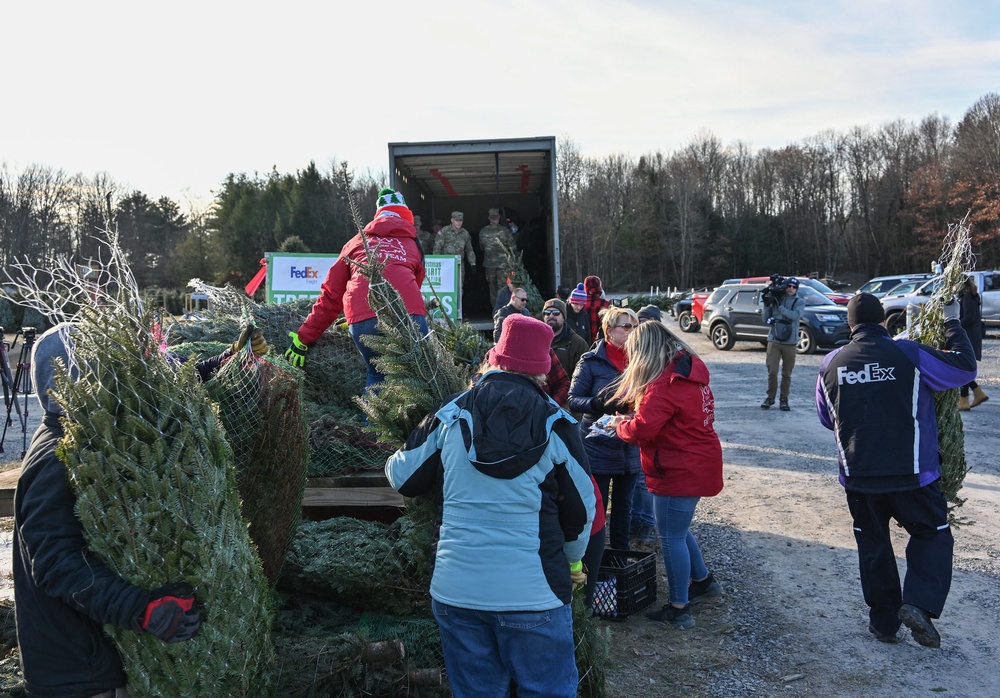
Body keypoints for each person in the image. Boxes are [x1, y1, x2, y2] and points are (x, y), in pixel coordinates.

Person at [384, 313, 596, 698]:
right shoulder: (558, 426)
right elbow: (582, 511)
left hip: (458, 592)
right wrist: (573, 560)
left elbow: (404, 478)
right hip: (536, 595)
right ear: (543, 370)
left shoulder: (450, 415)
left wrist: (398, 451)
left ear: (493, 358)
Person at [14, 323, 203, 698]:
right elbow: (54, 561)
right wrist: (139, 608)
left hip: (88, 663)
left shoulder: (81, 436)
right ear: (81, 383)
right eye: (110, 373)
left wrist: (216, 365)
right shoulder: (58, 458)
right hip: (74, 673)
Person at [816, 292, 977, 647]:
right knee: (931, 534)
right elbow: (964, 368)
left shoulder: (830, 363)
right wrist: (951, 321)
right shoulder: (909, 353)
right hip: (913, 473)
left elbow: (828, 417)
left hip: (858, 475)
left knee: (873, 544)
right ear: (884, 322)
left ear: (850, 325)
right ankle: (918, 604)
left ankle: (884, 624)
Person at [609, 321, 724, 630]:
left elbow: (643, 430)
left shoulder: (663, 385)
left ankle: (678, 607)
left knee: (671, 535)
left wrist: (619, 425)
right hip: (695, 461)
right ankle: (703, 581)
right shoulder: (687, 372)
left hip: (679, 467)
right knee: (677, 527)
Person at [284, 188, 428, 390]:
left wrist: (303, 338)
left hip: (364, 321)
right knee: (417, 378)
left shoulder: (354, 243)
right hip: (409, 316)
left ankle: (372, 422)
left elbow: (330, 297)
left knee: (377, 376)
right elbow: (415, 287)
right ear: (406, 216)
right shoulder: (414, 245)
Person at [568, 306, 642, 551]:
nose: (633, 331)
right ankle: (593, 563)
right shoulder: (591, 361)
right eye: (627, 326)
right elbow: (573, 399)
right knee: (596, 510)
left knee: (624, 509)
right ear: (609, 331)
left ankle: (621, 560)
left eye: (635, 326)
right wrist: (599, 403)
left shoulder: (641, 360)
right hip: (597, 446)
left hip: (629, 446)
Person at [629, 305, 663, 548]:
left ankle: (648, 524)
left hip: (645, 427)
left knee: (645, 479)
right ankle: (635, 521)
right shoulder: (632, 349)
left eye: (646, 323)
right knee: (635, 479)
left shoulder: (661, 358)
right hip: (634, 422)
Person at [761, 276, 803, 411]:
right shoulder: (776, 297)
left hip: (790, 342)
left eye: (794, 287)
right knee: (772, 371)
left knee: (787, 374)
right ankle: (770, 398)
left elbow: (795, 316)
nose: (791, 289)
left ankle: (784, 400)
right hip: (774, 340)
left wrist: (780, 307)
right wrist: (767, 305)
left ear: (797, 289)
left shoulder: (799, 301)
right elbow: (765, 318)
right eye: (789, 286)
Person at [958, 276, 988, 410]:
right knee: (962, 367)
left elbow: (968, 318)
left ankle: (967, 398)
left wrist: (954, 324)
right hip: (971, 336)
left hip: (968, 337)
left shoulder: (967, 297)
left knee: (962, 367)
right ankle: (975, 394)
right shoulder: (970, 296)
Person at [479, 208, 516, 308]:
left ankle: (495, 311)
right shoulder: (505, 231)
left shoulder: (483, 231)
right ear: (498, 218)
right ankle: (502, 310)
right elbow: (512, 248)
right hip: (502, 265)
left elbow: (481, 248)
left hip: (490, 264)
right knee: (502, 288)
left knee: (493, 289)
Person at [544, 298, 589, 380]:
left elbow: (583, 377)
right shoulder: (536, 340)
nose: (551, 316)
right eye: (547, 313)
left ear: (564, 317)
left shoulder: (578, 344)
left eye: (556, 313)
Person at [433, 210, 478, 277]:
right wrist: (436, 262)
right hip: (446, 264)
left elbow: (469, 250)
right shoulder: (444, 231)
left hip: (459, 265)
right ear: (452, 220)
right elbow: (437, 247)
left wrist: (472, 263)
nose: (459, 223)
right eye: (457, 220)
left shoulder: (465, 233)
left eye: (460, 221)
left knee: (459, 285)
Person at [583, 275, 610, 345]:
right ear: (599, 287)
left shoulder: (580, 305)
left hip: (584, 344)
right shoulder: (606, 304)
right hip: (601, 344)